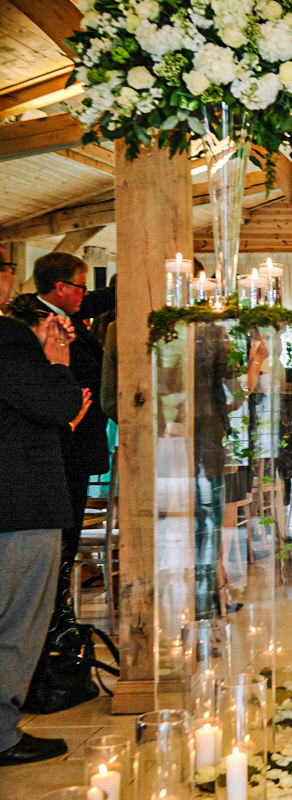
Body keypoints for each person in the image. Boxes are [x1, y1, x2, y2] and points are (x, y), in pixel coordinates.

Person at [0, 293, 86, 765]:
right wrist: (57, 362)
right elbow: (61, 404)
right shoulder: (13, 345)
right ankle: (2, 735)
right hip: (22, 506)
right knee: (18, 624)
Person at [34, 253, 110, 636]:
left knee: (70, 529)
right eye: (80, 286)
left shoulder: (69, 314)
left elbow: (98, 301)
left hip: (77, 443)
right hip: (65, 444)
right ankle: (54, 619)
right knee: (63, 534)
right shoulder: (40, 321)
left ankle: (60, 615)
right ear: (60, 287)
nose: (85, 294)